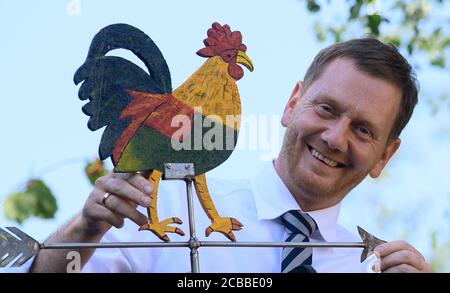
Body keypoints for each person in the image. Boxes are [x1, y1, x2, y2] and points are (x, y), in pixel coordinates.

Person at [28, 37, 432, 273]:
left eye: (363, 130)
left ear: (384, 156)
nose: (334, 136)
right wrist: (82, 230)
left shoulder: (370, 269)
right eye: (326, 109)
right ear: (293, 103)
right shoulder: (161, 208)